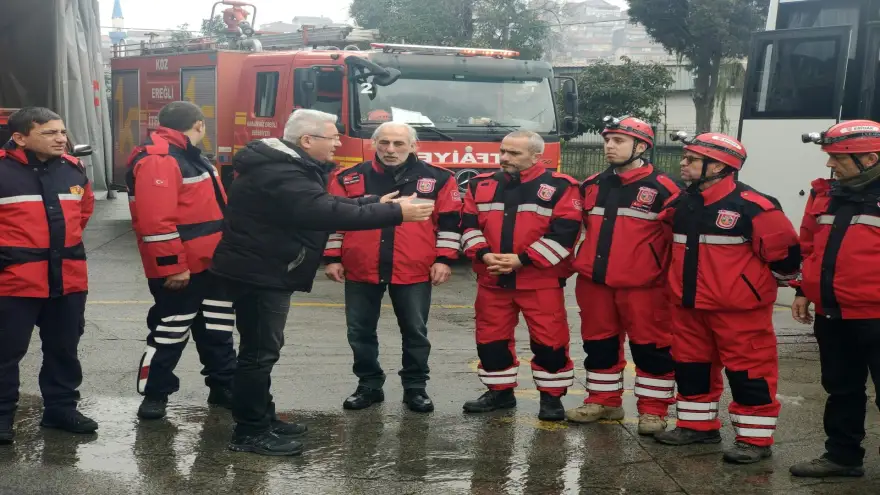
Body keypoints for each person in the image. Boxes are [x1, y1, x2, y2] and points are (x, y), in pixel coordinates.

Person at [210, 109, 434, 456]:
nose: (337, 143)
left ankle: (262, 418)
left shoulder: (285, 167)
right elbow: (321, 212)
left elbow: (320, 204)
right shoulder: (283, 171)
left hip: (264, 269)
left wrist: (371, 201)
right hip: (261, 272)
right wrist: (395, 212)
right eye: (332, 137)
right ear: (307, 140)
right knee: (258, 355)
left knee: (262, 351)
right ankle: (250, 432)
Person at [653, 131, 800, 464]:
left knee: (749, 372)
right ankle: (696, 426)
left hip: (739, 312)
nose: (683, 164)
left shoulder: (756, 206)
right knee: (691, 368)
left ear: (719, 165)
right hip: (688, 307)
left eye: (691, 159)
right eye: (685, 157)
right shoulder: (680, 205)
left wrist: (769, 288)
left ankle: (754, 440)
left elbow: (785, 255)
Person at [323, 122, 462, 413]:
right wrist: (333, 257)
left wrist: (444, 259)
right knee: (359, 331)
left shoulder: (438, 178)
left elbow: (450, 223)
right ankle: (369, 386)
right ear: (375, 144)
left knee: (415, 331)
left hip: (412, 268)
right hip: (361, 267)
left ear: (414, 146)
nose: (390, 150)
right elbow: (334, 220)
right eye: (384, 143)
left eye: (399, 144)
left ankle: (415, 388)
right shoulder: (349, 178)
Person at [565, 116, 681, 435]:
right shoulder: (591, 185)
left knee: (652, 349)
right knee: (598, 345)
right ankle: (604, 401)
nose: (609, 146)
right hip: (595, 284)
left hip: (646, 287)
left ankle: (653, 411)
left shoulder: (667, 188)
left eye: (618, 141)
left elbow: (678, 240)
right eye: (607, 140)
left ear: (641, 146)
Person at [460, 130, 582, 421]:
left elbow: (565, 233)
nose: (504, 158)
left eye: (513, 153)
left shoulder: (561, 186)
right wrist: (483, 254)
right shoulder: (480, 185)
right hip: (492, 278)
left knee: (550, 343)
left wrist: (522, 260)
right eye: (503, 151)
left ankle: (551, 399)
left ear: (537, 156)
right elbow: (467, 226)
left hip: (539, 281)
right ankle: (499, 393)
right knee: (491, 341)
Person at [126, 101, 237, 420]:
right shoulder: (160, 159)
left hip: (212, 263)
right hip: (183, 269)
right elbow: (155, 222)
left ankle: (223, 387)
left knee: (217, 327)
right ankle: (155, 394)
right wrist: (173, 267)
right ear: (200, 125)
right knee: (169, 331)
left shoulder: (187, 154)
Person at [0, 107, 98, 443]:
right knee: (5, 352)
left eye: (62, 132)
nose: (61, 139)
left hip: (67, 279)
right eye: (50, 133)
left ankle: (60, 409)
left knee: (63, 349)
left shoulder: (72, 170)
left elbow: (82, 215)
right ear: (20, 137)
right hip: (14, 281)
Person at [789, 120, 880, 478]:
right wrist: (802, 290)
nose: (830, 165)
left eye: (838, 158)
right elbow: (809, 245)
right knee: (841, 389)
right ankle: (842, 457)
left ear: (870, 158)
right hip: (834, 314)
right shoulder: (825, 193)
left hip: (876, 315)